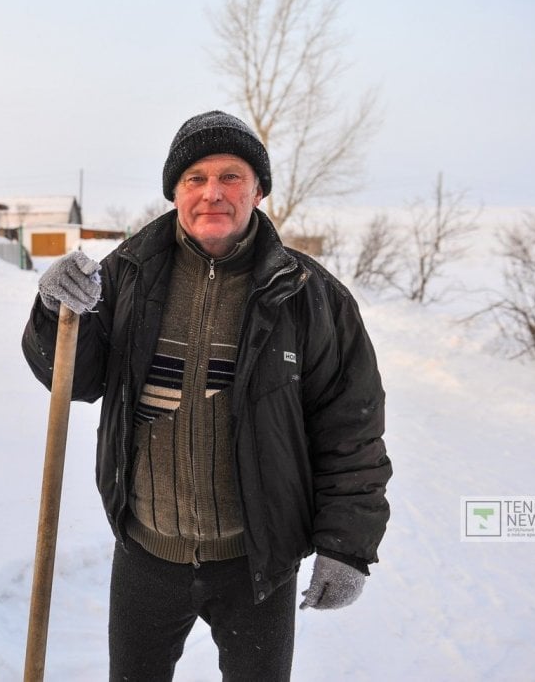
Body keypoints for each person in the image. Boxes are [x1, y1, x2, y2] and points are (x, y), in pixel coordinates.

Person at [21, 110, 392, 681]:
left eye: (231, 177)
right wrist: (55, 311)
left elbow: (351, 427)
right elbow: (73, 377)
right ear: (175, 192)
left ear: (258, 191)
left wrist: (346, 545)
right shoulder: (124, 276)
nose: (212, 193)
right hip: (146, 554)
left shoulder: (309, 296)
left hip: (256, 562)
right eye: (195, 178)